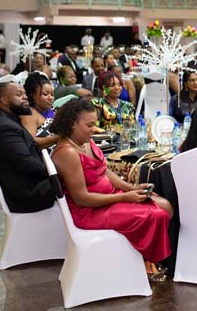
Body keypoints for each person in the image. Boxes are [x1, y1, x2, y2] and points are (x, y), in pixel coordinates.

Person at [50, 98, 172, 280]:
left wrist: (131, 188)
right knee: (156, 213)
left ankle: (146, 258)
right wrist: (124, 197)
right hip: (89, 211)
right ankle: (146, 261)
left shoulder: (84, 141)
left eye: (94, 124)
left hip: (107, 199)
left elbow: (104, 171)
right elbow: (82, 198)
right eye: (89, 125)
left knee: (164, 205)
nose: (94, 129)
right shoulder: (67, 153)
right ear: (72, 123)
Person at [0, 82, 56, 213]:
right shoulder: (4, 127)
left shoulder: (9, 121)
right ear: (4, 100)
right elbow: (27, 163)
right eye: (19, 94)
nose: (25, 97)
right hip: (30, 194)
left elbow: (31, 147)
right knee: (79, 176)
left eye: (24, 94)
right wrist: (57, 171)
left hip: (32, 185)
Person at [20, 72, 59, 150]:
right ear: (33, 95)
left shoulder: (53, 110)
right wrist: (55, 138)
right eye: (45, 94)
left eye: (52, 94)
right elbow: (30, 142)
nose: (50, 98)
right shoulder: (29, 115)